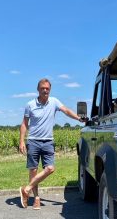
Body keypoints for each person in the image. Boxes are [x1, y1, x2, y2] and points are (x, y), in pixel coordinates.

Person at [19, 78, 84, 209]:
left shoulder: (54, 102)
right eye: (42, 88)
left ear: (50, 90)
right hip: (33, 141)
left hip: (48, 141)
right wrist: (21, 140)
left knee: (50, 168)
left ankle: (26, 189)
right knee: (33, 170)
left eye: (47, 88)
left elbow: (65, 110)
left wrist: (78, 118)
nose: (45, 90)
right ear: (38, 89)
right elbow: (24, 124)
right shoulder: (30, 105)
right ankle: (36, 198)